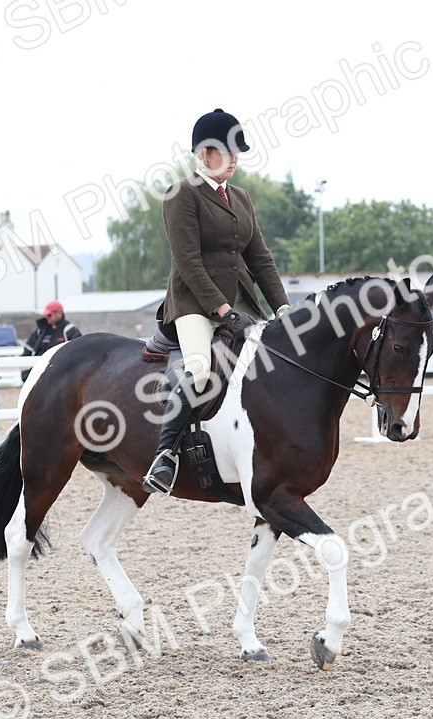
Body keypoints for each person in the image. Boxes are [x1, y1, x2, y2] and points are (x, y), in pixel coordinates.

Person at [142, 108, 291, 495]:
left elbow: (260, 258)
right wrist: (223, 312)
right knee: (201, 371)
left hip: (242, 302)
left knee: (274, 364)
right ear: (204, 154)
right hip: (194, 304)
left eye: (238, 153)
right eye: (227, 152)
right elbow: (188, 263)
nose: (234, 160)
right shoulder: (181, 195)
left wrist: (283, 309)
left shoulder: (240, 198)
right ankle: (165, 455)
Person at [21, 300, 81, 381]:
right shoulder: (40, 331)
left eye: (49, 315)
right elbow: (27, 350)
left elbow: (79, 354)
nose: (46, 317)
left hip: (60, 377)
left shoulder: (70, 331)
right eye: (46, 315)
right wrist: (26, 374)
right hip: (38, 376)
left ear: (59, 313)